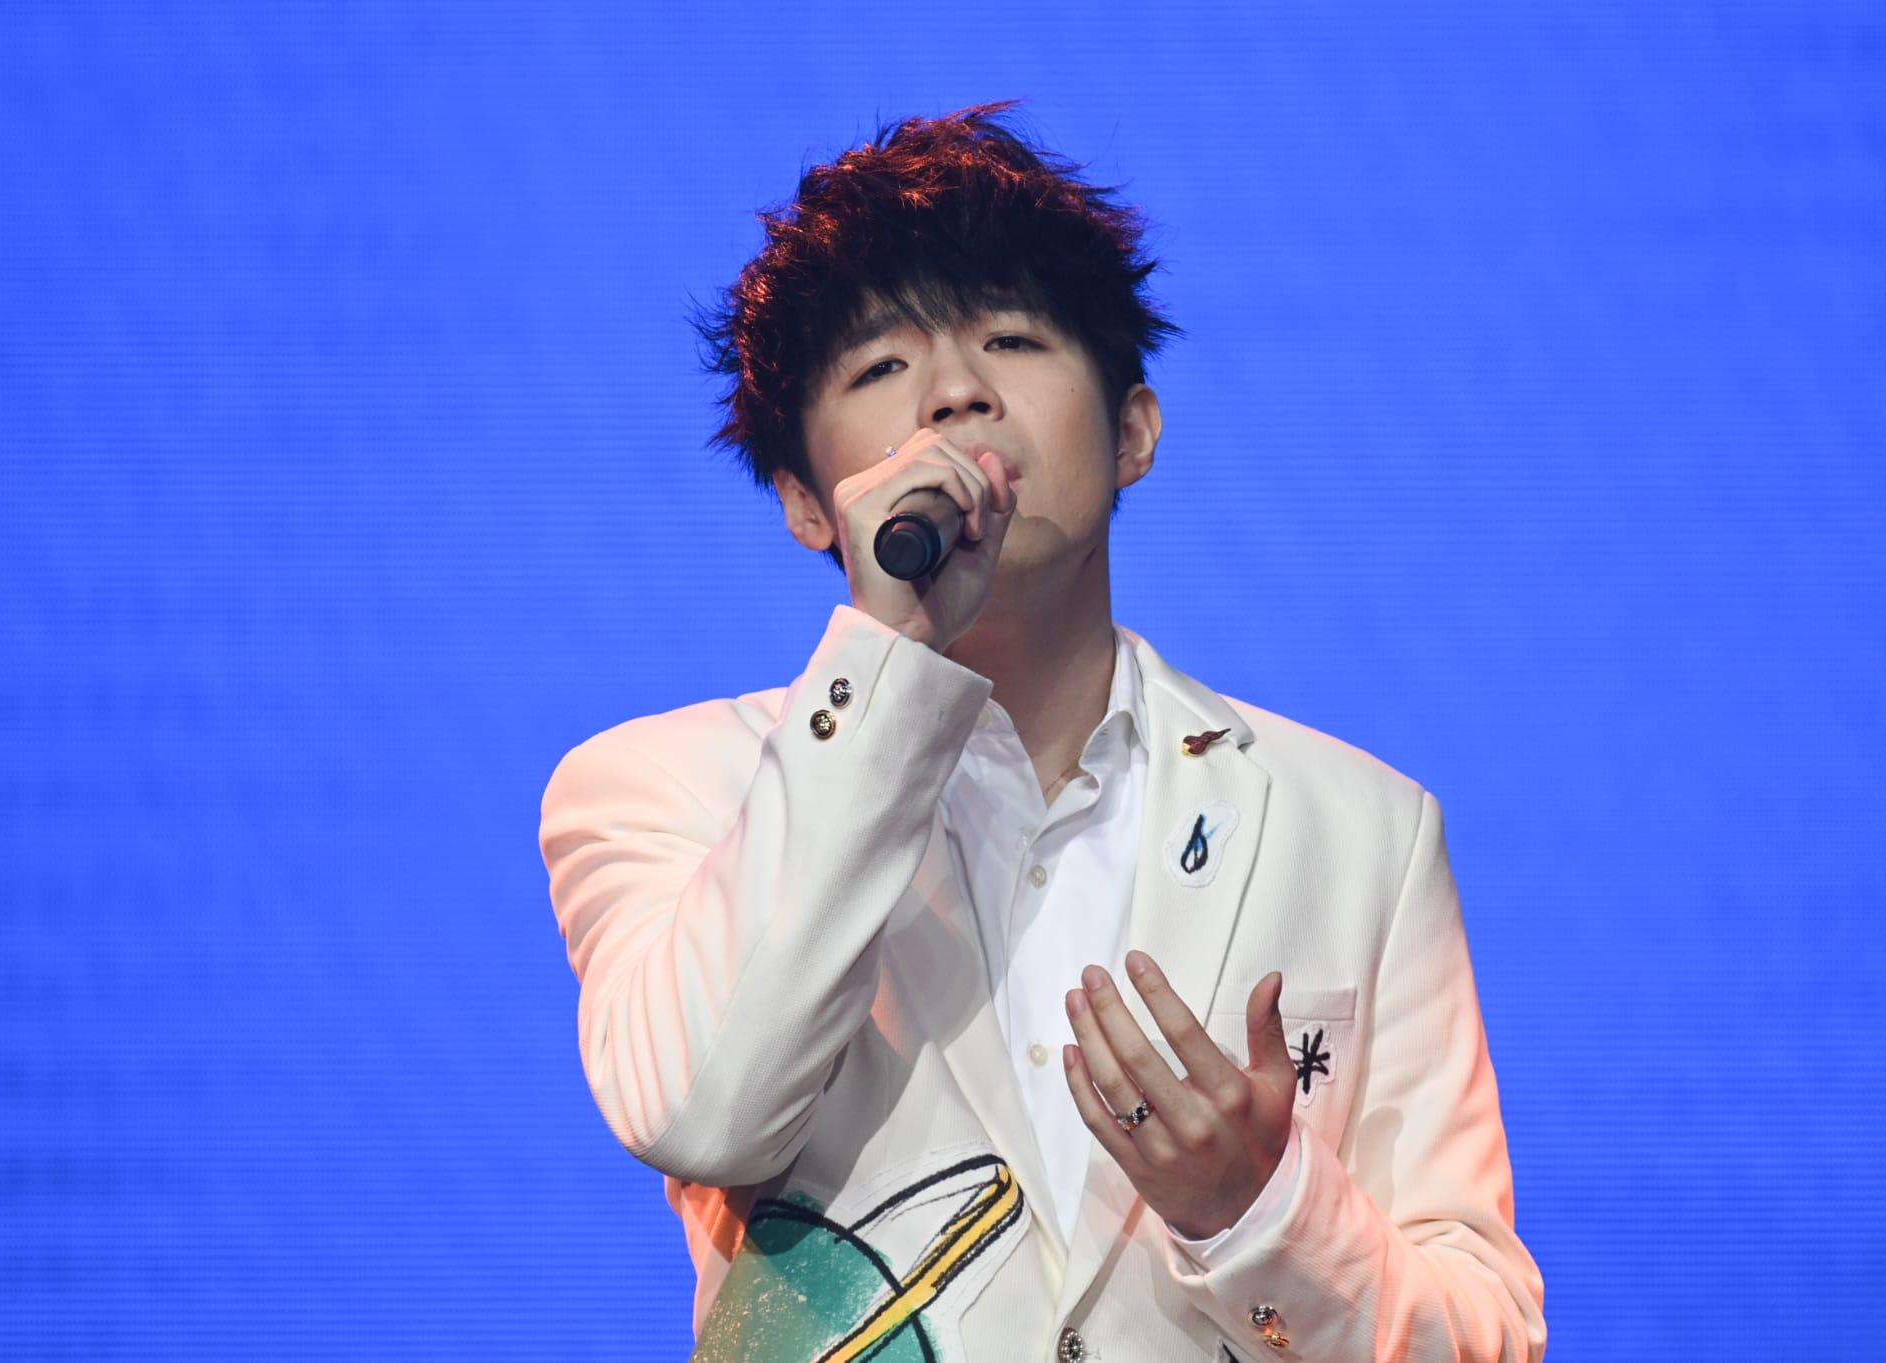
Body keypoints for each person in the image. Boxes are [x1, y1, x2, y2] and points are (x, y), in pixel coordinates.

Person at [538, 99, 1546, 1362]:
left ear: (1132, 432)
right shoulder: (660, 787)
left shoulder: (1360, 829)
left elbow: (1484, 1333)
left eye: (1011, 340)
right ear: (804, 501)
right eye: (878, 369)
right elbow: (703, 1112)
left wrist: (1262, 1213)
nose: (955, 392)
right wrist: (888, 653)